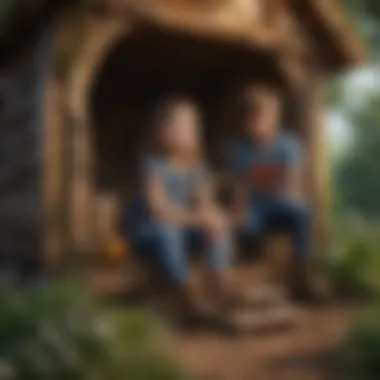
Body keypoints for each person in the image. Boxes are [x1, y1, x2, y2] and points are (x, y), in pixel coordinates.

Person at [124, 97, 233, 321]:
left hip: (182, 227)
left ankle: (217, 284)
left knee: (218, 226)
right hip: (149, 230)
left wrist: (213, 218)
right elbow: (158, 210)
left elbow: (204, 202)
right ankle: (182, 293)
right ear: (160, 132)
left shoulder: (198, 167)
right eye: (174, 126)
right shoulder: (153, 166)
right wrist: (196, 219)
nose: (181, 132)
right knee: (168, 233)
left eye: (188, 126)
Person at [228, 83, 318, 302]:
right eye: (253, 120)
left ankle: (301, 269)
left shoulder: (288, 146)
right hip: (256, 207)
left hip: (281, 202)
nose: (259, 125)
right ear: (245, 123)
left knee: (302, 212)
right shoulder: (240, 150)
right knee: (247, 224)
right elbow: (240, 187)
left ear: (275, 118)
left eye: (264, 118)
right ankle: (256, 264)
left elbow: (292, 184)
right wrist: (239, 210)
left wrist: (288, 196)